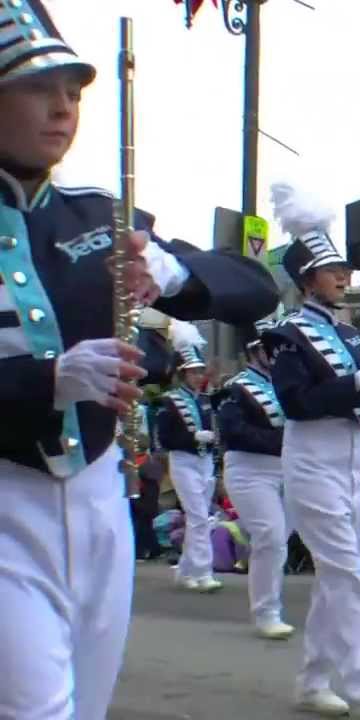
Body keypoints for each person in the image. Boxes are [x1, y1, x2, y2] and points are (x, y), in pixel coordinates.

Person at [0, 5, 280, 717]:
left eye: (73, 92)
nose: (63, 109)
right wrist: (46, 381)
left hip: (99, 497)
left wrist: (174, 272)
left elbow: (256, 288)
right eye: (38, 89)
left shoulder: (99, 213)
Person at [261, 182, 360, 717]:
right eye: (332, 271)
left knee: (336, 573)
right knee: (345, 571)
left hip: (353, 455)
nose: (344, 277)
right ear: (307, 279)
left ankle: (312, 680)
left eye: (344, 270)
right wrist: (356, 383)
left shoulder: (352, 338)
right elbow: (296, 403)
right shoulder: (288, 335)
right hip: (312, 456)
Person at [215, 308, 294, 640]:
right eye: (267, 348)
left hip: (288, 469)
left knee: (279, 542)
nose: (274, 354)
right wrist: (287, 441)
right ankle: (266, 613)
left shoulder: (287, 385)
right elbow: (235, 433)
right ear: (253, 350)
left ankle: (271, 603)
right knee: (271, 537)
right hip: (250, 470)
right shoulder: (234, 389)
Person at [155, 320, 221, 593]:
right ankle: (204, 571)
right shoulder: (170, 401)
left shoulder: (205, 399)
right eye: (192, 371)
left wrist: (212, 441)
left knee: (199, 518)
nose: (197, 375)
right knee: (198, 516)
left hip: (205, 461)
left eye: (199, 371)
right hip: (183, 461)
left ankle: (185, 570)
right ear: (182, 373)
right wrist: (193, 438)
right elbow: (164, 440)